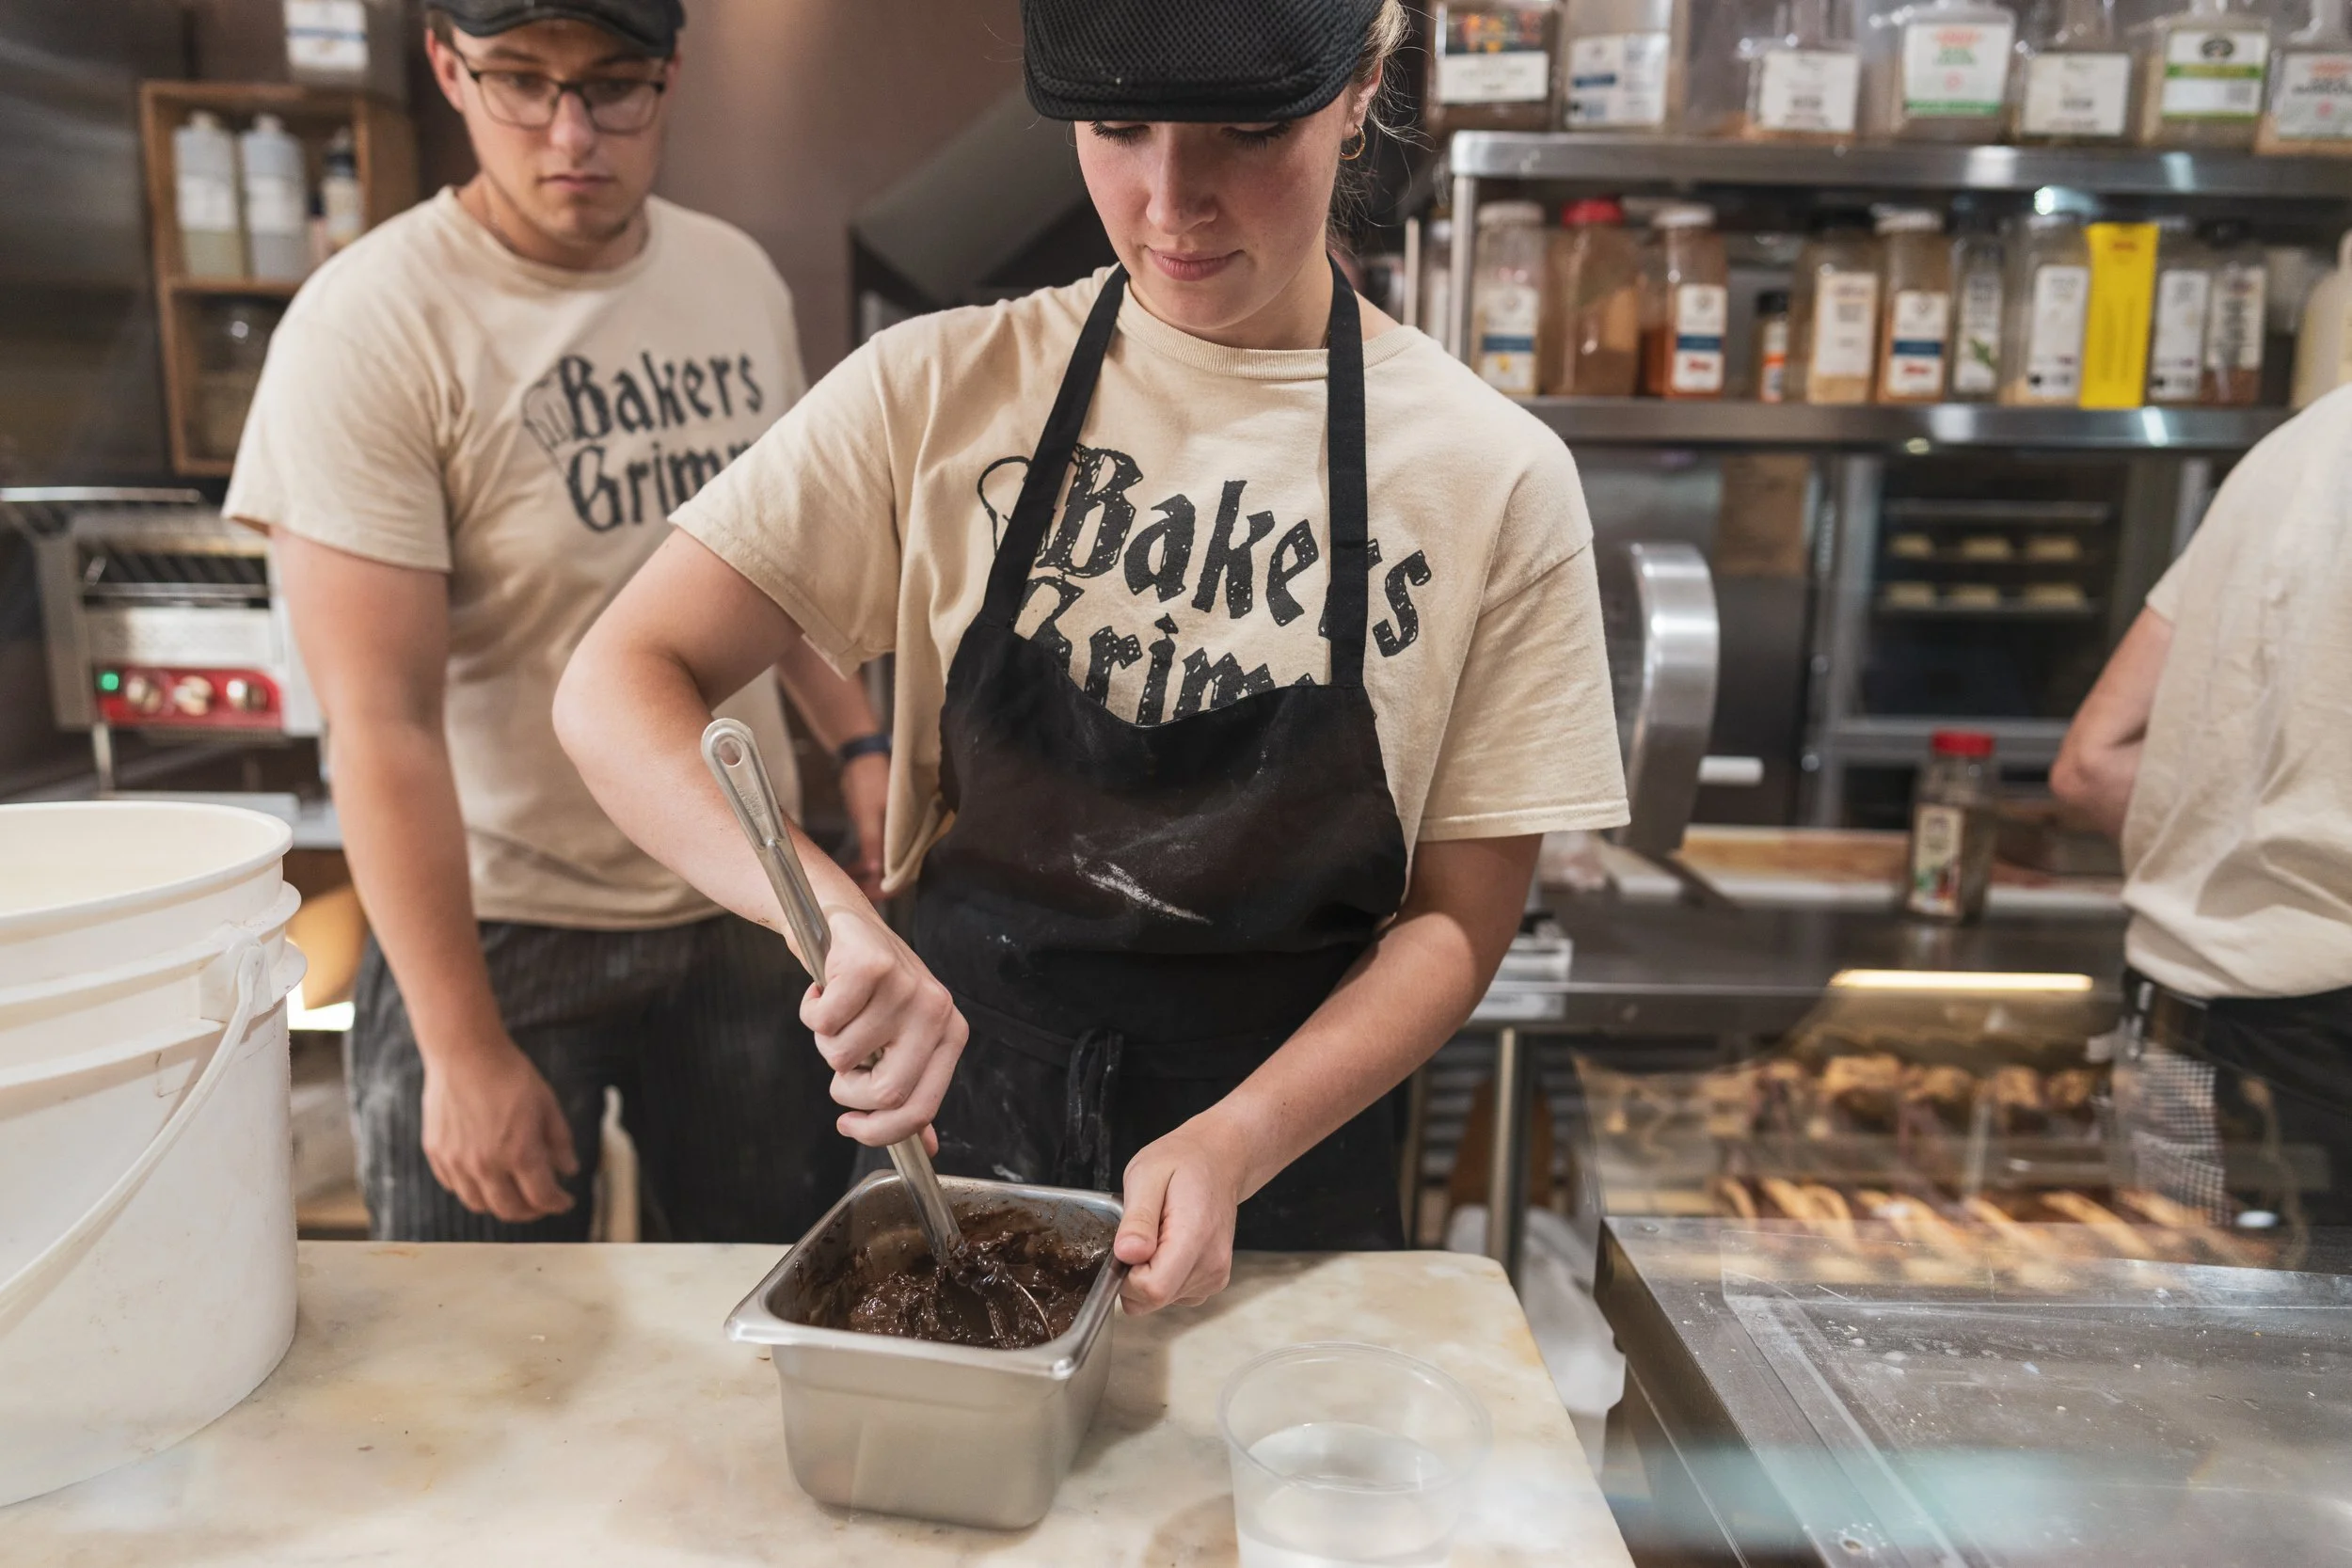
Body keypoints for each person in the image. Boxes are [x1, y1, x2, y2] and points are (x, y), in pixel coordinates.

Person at [557, 0, 1629, 1310]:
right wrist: (831, 916)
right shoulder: (939, 389)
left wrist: (1243, 1135)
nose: (1171, 201)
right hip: (960, 1161)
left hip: (1285, 1188)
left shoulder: (1493, 478)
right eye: (1116, 127)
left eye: (1246, 128)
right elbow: (619, 682)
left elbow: (1460, 917)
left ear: (1362, 86)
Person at [226, 0, 887, 1243]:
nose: (571, 132)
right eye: (521, 82)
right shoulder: (368, 325)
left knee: (761, 1295)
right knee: (494, 1352)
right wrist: (461, 1047)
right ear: (447, 67)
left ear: (673, 78)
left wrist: (860, 746)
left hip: (738, 895)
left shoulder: (731, 276)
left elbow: (775, 568)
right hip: (500, 924)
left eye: (614, 86)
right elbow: (380, 726)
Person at [2054, 386, 2352, 1233]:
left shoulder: (2302, 446)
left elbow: (2091, 765)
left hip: (2175, 1038)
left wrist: (2245, 837)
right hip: (2327, 1052)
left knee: (2183, 1350)